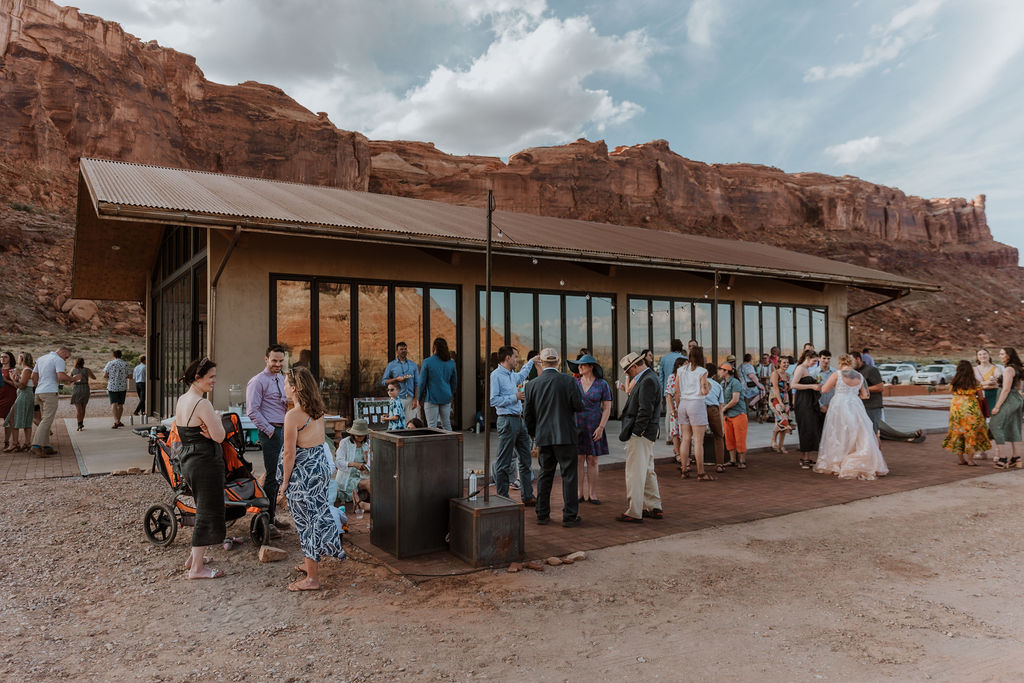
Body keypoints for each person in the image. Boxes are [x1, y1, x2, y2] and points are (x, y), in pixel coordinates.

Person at [277, 366, 346, 591]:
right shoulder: (317, 409)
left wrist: (285, 483)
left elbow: (289, 454)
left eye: (286, 383)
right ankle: (310, 566)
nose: (284, 387)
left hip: (304, 475)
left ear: (295, 388)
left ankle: (312, 579)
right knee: (316, 517)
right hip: (319, 469)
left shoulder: (293, 415)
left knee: (306, 524)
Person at [174, 357, 227, 579]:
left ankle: (193, 558)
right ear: (198, 377)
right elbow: (219, 436)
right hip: (205, 460)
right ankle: (197, 569)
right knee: (208, 511)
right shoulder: (203, 403)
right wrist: (216, 418)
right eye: (211, 377)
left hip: (188, 458)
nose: (214, 381)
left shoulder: (182, 399)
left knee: (201, 506)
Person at [524, 348, 585, 527]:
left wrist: (534, 433)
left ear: (541, 363)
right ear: (558, 362)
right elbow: (578, 406)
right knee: (569, 476)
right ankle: (570, 516)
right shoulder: (569, 381)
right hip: (566, 435)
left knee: (545, 475)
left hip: (544, 436)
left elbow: (528, 415)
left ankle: (542, 514)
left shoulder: (532, 385)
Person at [813, 354, 888, 480]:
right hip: (855, 404)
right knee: (858, 432)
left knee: (839, 432)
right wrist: (853, 396)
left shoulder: (837, 374)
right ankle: (859, 459)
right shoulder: (859, 376)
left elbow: (825, 390)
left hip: (839, 405)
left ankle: (838, 462)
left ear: (841, 363)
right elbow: (865, 395)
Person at [246, 344, 290, 535]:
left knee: (280, 475)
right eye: (274, 360)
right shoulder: (257, 381)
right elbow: (252, 411)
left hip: (285, 430)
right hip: (271, 432)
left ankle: (272, 517)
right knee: (272, 477)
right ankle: (266, 521)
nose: (278, 364)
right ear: (266, 359)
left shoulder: (282, 378)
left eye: (281, 361)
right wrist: (271, 431)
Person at [616, 351, 662, 523]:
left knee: (635, 472)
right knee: (648, 470)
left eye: (628, 371)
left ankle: (634, 511)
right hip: (646, 433)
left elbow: (645, 410)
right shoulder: (649, 378)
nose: (628, 374)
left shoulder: (647, 380)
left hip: (641, 433)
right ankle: (654, 506)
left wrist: (637, 431)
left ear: (634, 366)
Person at [489, 346, 536, 504]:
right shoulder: (496, 376)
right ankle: (503, 498)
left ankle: (528, 496)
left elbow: (522, 374)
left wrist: (531, 362)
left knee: (525, 459)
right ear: (508, 358)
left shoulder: (511, 375)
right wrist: (514, 397)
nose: (517, 359)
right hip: (507, 421)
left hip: (519, 420)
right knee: (504, 462)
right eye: (515, 357)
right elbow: (493, 400)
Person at [568, 354, 611, 505]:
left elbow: (607, 408)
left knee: (593, 460)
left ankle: (592, 494)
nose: (579, 367)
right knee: (579, 459)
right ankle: (579, 493)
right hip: (577, 425)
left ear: (591, 367)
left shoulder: (602, 384)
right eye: (578, 365)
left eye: (583, 365)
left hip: (594, 425)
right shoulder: (574, 383)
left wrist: (601, 427)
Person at [674, 346, 712, 480]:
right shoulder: (702, 371)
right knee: (698, 441)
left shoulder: (680, 370)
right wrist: (709, 385)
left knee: (685, 438)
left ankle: (684, 469)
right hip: (696, 403)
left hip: (683, 403)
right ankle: (701, 473)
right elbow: (704, 391)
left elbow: (676, 390)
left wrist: (678, 407)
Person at [942, 361, 990, 466]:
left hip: (956, 409)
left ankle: (960, 459)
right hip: (971, 409)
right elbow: (981, 397)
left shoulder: (954, 381)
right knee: (971, 433)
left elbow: (951, 391)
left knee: (958, 433)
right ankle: (970, 460)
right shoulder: (975, 382)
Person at [32, 346, 74, 455]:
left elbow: (33, 375)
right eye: (66, 356)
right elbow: (61, 376)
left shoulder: (41, 358)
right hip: (50, 392)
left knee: (45, 419)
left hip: (39, 392)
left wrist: (39, 387)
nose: (66, 359)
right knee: (47, 420)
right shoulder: (58, 360)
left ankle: (46, 446)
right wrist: (73, 378)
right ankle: (36, 445)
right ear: (62, 351)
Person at [990, 347, 1024, 469]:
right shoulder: (1018, 368)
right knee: (1013, 426)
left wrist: (997, 406)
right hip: (1016, 399)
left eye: (1002, 353)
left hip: (1008, 399)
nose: (1000, 355)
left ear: (1009, 355)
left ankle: (1003, 458)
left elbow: (1006, 389)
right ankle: (1016, 458)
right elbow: (1018, 387)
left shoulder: (1009, 369)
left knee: (995, 425)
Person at [332, 418, 372, 514]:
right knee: (368, 483)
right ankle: (375, 506)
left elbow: (371, 464)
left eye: (362, 435)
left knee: (377, 482)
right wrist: (353, 464)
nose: (360, 437)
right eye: (358, 434)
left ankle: (368, 505)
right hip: (347, 478)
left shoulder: (367, 444)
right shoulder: (345, 443)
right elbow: (338, 462)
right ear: (353, 433)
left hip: (362, 475)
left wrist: (367, 462)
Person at [791, 349, 822, 469]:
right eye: (814, 361)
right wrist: (811, 385)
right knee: (806, 428)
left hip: (809, 401)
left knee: (810, 428)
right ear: (808, 358)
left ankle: (807, 457)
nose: (815, 363)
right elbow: (793, 385)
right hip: (803, 402)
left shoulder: (806, 369)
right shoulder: (800, 368)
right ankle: (804, 459)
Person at [418, 337, 457, 431]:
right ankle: (450, 445)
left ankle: (434, 446)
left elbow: (422, 382)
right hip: (446, 396)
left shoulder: (427, 362)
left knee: (432, 426)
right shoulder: (451, 362)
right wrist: (450, 393)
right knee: (446, 424)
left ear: (434, 347)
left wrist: (418, 398)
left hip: (431, 398)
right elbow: (454, 381)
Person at [718, 362, 748, 468]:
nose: (719, 371)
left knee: (740, 438)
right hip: (728, 415)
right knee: (729, 438)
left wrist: (723, 409)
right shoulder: (722, 383)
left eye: (720, 369)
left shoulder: (735, 382)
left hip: (738, 414)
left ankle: (742, 461)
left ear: (726, 371)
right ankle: (732, 460)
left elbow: (735, 400)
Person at [3, 352, 34, 452]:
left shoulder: (26, 370)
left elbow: (21, 386)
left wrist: (12, 379)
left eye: (19, 357)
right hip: (25, 395)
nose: (17, 359)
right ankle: (27, 443)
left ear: (22, 359)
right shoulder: (27, 370)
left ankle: (15, 443)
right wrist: (17, 378)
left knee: (12, 419)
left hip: (24, 395)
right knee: (27, 419)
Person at [381, 341, 419, 421]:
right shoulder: (391, 365)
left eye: (405, 349)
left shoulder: (413, 365)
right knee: (397, 423)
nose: (404, 351)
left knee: (410, 423)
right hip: (397, 398)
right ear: (397, 351)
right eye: (401, 349)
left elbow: (417, 383)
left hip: (410, 398)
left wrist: (415, 399)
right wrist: (396, 379)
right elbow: (384, 381)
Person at [851, 351, 884, 440]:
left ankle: (877, 453)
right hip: (859, 406)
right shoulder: (853, 372)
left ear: (858, 359)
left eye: (851, 360)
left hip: (872, 407)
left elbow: (880, 387)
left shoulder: (871, 370)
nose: (850, 363)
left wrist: (862, 389)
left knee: (873, 434)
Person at [659, 340, 685, 443]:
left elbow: (661, 376)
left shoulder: (664, 359)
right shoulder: (684, 359)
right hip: (682, 391)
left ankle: (668, 437)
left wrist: (662, 391)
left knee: (669, 414)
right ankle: (680, 436)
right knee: (681, 413)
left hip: (668, 389)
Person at [703, 362, 726, 476]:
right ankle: (720, 464)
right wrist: (722, 424)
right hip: (713, 409)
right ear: (713, 374)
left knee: (696, 438)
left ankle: (692, 463)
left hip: (700, 409)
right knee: (718, 436)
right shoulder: (717, 385)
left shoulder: (699, 383)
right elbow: (721, 406)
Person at [769, 356, 794, 453]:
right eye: (784, 362)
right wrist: (780, 402)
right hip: (775, 398)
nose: (786, 364)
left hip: (785, 398)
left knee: (785, 421)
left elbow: (787, 388)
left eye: (787, 363)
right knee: (783, 419)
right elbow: (775, 389)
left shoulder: (787, 375)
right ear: (779, 363)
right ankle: (773, 440)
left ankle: (781, 445)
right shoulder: (775, 373)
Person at [665, 356, 687, 466]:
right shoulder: (672, 377)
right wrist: (672, 409)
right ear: (679, 365)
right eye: (685, 364)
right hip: (675, 406)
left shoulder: (687, 377)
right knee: (675, 431)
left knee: (685, 432)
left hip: (685, 406)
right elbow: (669, 394)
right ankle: (677, 453)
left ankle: (684, 454)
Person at [102, 350, 130, 429]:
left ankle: (116, 421)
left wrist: (112, 376)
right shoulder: (125, 364)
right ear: (121, 355)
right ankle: (119, 420)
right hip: (122, 386)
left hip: (112, 386)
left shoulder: (110, 363)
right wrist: (123, 377)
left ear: (113, 355)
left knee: (114, 403)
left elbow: (105, 375)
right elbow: (130, 376)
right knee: (120, 404)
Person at [70, 357, 96, 431]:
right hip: (85, 388)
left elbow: (69, 380)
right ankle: (81, 423)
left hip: (76, 388)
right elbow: (94, 377)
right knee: (83, 407)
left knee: (78, 408)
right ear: (83, 362)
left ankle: (79, 424)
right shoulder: (87, 370)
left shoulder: (73, 370)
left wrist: (75, 378)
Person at [0, 351, 17, 450]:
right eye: (1, 357)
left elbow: (17, 385)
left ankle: (7, 442)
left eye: (5, 357)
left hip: (9, 397)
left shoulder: (13, 370)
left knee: (8, 420)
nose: (2, 359)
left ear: (10, 358)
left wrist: (6, 380)